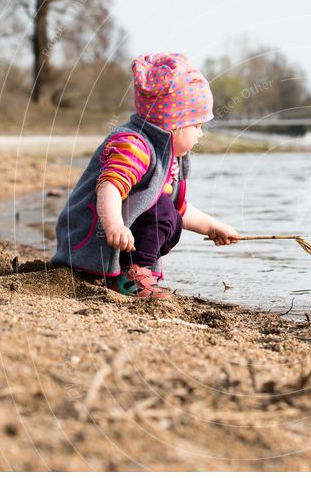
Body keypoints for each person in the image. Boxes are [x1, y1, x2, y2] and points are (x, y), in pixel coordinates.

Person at [51, 53, 241, 299]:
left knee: (166, 208)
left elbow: (178, 208)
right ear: (174, 125)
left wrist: (212, 226)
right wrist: (114, 225)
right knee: (161, 208)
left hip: (114, 242)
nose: (201, 134)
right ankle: (133, 276)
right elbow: (109, 186)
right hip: (90, 241)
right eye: (197, 126)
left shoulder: (164, 152)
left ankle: (133, 272)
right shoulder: (135, 146)